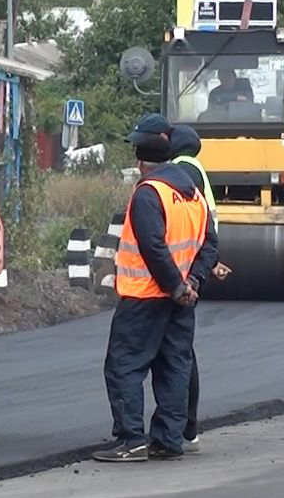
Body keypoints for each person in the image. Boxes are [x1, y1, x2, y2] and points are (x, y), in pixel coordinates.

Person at [93, 113, 218, 463]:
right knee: (174, 366)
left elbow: (153, 247)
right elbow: (210, 242)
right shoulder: (192, 191)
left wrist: (176, 286)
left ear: (139, 160)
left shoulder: (149, 193)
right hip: (180, 301)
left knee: (124, 366)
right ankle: (168, 440)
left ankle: (131, 440)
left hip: (145, 297)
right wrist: (192, 283)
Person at [166, 124, 230, 455]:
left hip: (184, 269)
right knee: (182, 353)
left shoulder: (182, 170)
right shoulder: (198, 168)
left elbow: (189, 218)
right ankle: (185, 428)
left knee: (179, 354)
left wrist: (197, 269)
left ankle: (184, 429)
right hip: (198, 260)